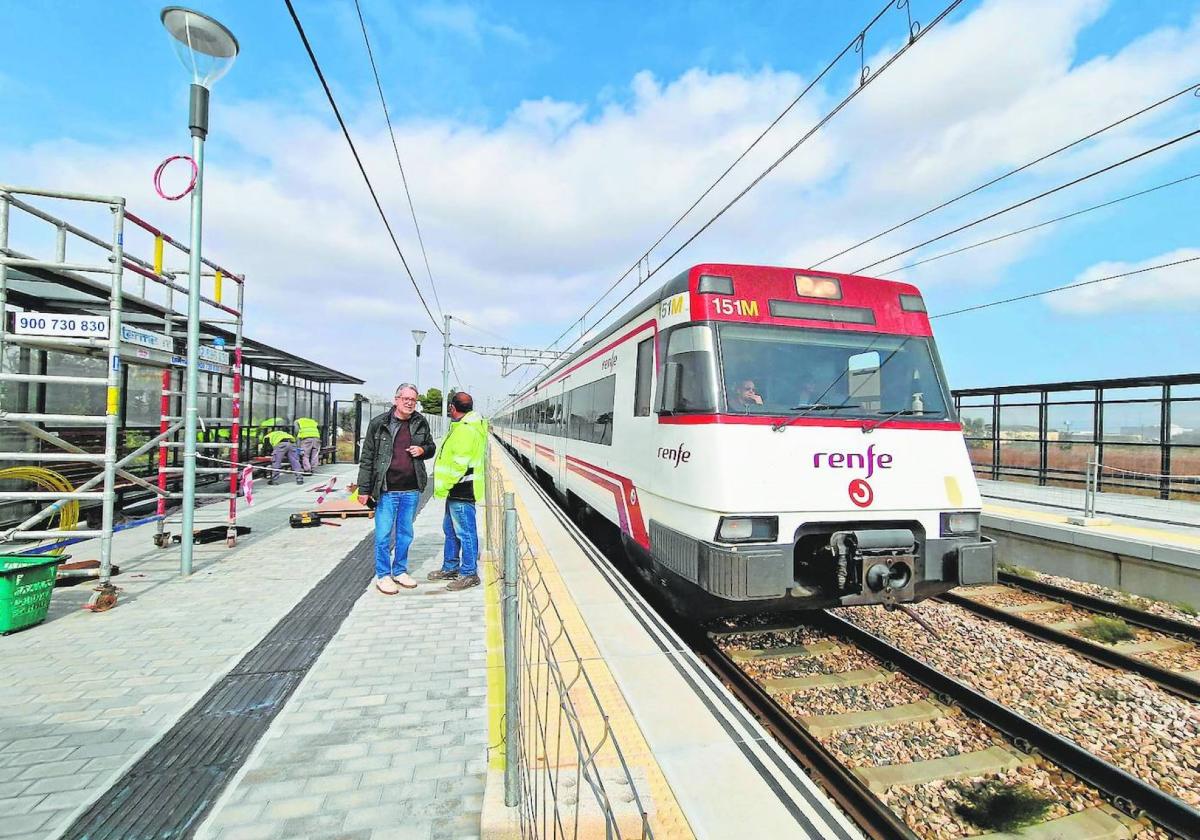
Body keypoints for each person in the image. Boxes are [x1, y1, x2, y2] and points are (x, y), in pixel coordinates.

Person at [357, 384, 436, 595]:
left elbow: (431, 447)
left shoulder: (420, 422)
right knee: (383, 535)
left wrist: (422, 450)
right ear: (396, 399)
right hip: (386, 490)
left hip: (411, 489)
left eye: (413, 399)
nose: (409, 402)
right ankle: (383, 575)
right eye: (405, 398)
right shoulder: (379, 424)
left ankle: (400, 570)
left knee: (405, 534)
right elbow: (367, 458)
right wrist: (363, 489)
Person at [430, 392, 488, 591]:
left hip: (461, 489)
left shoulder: (466, 430)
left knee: (465, 533)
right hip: (457, 490)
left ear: (452, 408)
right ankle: (451, 567)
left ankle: (469, 573)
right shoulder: (466, 426)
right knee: (451, 530)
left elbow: (458, 465)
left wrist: (443, 486)